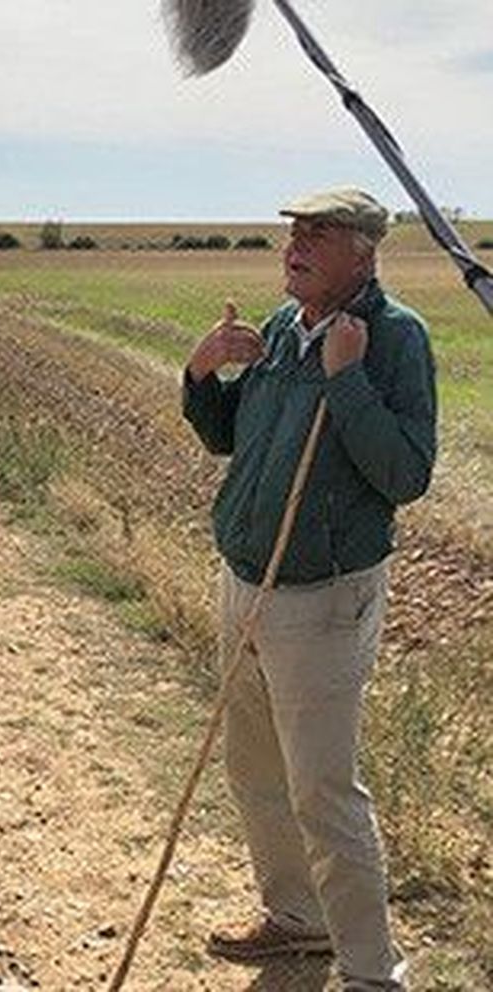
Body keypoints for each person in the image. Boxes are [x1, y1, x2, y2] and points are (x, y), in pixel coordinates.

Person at [182, 186, 436, 991]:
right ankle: (296, 920)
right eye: (292, 231)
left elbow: (406, 474)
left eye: (316, 233)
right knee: (253, 770)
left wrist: (348, 383)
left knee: (324, 791)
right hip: (245, 581)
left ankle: (371, 973)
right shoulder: (286, 326)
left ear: (362, 251)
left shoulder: (392, 339)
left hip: (322, 599)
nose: (293, 245)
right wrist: (202, 371)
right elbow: (227, 439)